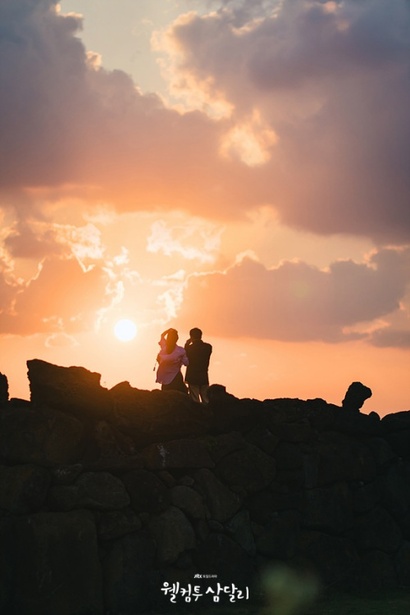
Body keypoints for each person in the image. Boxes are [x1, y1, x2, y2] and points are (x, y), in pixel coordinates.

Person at [155, 328, 189, 393]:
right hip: (176, 376)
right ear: (177, 339)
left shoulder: (164, 347)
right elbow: (186, 363)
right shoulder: (181, 350)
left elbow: (162, 335)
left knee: (165, 395)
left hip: (164, 377)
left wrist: (168, 331)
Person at [184, 328, 212, 403]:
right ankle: (207, 413)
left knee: (195, 400)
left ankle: (197, 414)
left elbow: (185, 354)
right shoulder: (208, 347)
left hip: (192, 376)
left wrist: (186, 344)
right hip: (203, 376)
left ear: (191, 337)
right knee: (206, 399)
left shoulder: (189, 348)